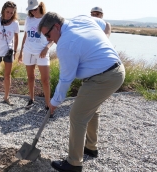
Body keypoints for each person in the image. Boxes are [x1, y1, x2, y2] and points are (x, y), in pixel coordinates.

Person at [38, 12, 125, 172]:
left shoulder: (65, 43)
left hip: (103, 77)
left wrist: (54, 102)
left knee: (77, 116)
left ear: (57, 26)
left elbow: (66, 79)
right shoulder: (81, 19)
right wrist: (103, 40)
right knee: (92, 110)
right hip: (116, 71)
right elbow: (106, 25)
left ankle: (73, 164)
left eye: (48, 35)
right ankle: (91, 147)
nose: (48, 40)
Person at [18, 0, 53, 111]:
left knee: (45, 80)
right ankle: (31, 99)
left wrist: (47, 48)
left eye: (35, 9)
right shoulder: (28, 19)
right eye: (31, 10)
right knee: (31, 77)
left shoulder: (47, 19)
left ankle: (48, 104)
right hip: (28, 51)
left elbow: (53, 37)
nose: (33, 12)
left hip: (42, 52)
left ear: (40, 6)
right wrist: (21, 52)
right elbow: (26, 36)